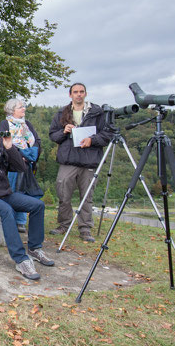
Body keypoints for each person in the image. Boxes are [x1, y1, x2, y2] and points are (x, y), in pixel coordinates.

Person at [0, 125, 53, 280]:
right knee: (6, 210)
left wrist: (9, 146)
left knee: (37, 205)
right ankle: (20, 259)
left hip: (5, 194)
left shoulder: (3, 151)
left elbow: (21, 167)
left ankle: (34, 248)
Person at [48, 83, 112, 242]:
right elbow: (53, 136)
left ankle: (85, 229)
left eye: (81, 92)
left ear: (86, 94)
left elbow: (108, 134)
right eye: (75, 92)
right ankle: (64, 225)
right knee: (63, 193)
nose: (78, 94)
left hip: (89, 160)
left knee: (87, 196)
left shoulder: (97, 113)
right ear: (70, 95)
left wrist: (92, 140)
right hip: (68, 159)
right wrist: (63, 131)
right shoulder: (61, 113)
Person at [0, 99, 43, 234]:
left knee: (24, 191)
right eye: (20, 107)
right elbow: (3, 143)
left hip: (28, 164)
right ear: (12, 110)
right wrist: (18, 156)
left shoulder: (27, 124)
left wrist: (32, 154)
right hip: (12, 165)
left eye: (24, 106)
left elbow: (37, 141)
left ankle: (21, 221)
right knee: (12, 191)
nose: (24, 109)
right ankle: (10, 219)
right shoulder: (5, 124)